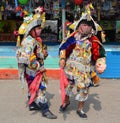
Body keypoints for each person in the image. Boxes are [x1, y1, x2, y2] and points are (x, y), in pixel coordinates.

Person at [59, 13, 106, 119]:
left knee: (83, 90)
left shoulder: (93, 41)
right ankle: (66, 102)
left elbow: (100, 55)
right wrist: (62, 58)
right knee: (67, 87)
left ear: (91, 28)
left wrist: (101, 64)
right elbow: (63, 47)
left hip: (84, 71)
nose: (84, 27)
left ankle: (80, 109)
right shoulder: (73, 37)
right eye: (83, 24)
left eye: (87, 25)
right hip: (70, 68)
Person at [16, 7, 57, 119]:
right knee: (41, 89)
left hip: (34, 70)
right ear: (31, 30)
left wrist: (44, 54)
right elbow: (27, 59)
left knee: (32, 87)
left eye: (40, 28)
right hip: (34, 71)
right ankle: (45, 110)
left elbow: (38, 54)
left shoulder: (36, 40)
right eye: (37, 28)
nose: (40, 30)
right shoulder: (28, 41)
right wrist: (39, 67)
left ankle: (32, 103)